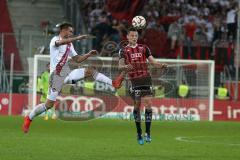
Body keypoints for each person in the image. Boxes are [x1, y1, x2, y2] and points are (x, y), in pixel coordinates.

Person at [22, 22, 110, 133]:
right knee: (48, 105)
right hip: (56, 77)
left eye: (72, 32)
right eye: (70, 31)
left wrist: (88, 54)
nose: (71, 33)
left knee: (89, 71)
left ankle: (112, 82)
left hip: (67, 74)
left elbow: (77, 59)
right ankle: (29, 118)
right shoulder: (54, 40)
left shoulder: (69, 45)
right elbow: (60, 42)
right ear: (63, 30)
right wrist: (77, 38)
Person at [116, 27, 166, 145]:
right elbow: (120, 66)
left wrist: (161, 65)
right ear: (127, 37)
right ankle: (139, 132)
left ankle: (148, 132)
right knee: (137, 106)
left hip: (146, 79)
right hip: (134, 80)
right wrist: (125, 67)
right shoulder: (123, 50)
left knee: (148, 104)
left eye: (135, 36)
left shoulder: (144, 48)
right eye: (132, 36)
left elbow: (153, 62)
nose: (134, 38)